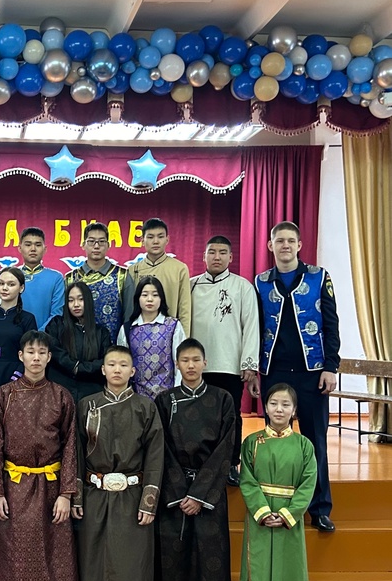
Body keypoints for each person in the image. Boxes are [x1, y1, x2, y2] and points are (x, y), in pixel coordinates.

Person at [0, 330, 79, 581]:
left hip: (51, 486)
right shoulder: (5, 395)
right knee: (14, 554)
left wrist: (67, 493)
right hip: (13, 486)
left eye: (41, 352)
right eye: (30, 352)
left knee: (51, 553)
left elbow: (70, 447)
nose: (36, 358)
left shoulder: (61, 396)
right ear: (21, 356)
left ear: (49, 357)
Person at [72, 346, 165, 581]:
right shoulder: (86, 406)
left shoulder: (145, 407)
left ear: (132, 371)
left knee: (133, 561)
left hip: (132, 494)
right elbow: (75, 454)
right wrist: (76, 495)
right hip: (95, 493)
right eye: (111, 364)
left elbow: (155, 456)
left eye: (123, 365)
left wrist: (148, 501)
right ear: (103, 369)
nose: (117, 369)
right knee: (93, 558)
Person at [250, 221, 340, 533]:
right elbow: (255, 329)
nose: (285, 246)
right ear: (270, 246)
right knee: (275, 441)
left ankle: (319, 509)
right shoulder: (260, 282)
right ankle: (275, 505)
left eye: (291, 240)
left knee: (315, 442)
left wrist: (331, 366)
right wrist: (254, 369)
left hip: (312, 372)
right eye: (280, 241)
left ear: (300, 245)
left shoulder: (319, 277)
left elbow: (331, 324)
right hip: (274, 371)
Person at [154, 338, 235, 581]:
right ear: (177, 364)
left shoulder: (222, 399)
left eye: (195, 359)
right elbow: (160, 448)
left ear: (205, 363)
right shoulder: (165, 400)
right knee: (174, 560)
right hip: (174, 492)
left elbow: (226, 448)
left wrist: (199, 494)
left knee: (209, 563)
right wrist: (180, 493)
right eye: (184, 360)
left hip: (209, 491)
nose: (190, 365)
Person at [237, 383, 317, 581]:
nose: (279, 409)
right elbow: (247, 480)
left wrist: (287, 514)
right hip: (260, 518)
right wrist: (261, 511)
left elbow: (308, 483)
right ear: (266, 407)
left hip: (288, 522)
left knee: (286, 575)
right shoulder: (252, 442)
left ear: (294, 410)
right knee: (261, 574)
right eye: (273, 403)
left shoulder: (304, 445)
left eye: (285, 404)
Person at [190, 235, 260, 486]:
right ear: (204, 256)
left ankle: (230, 463)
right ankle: (199, 465)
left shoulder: (242, 287)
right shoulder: (191, 286)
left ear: (231, 257)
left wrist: (249, 363)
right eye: (212, 252)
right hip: (196, 366)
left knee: (230, 417)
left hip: (230, 364)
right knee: (197, 416)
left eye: (222, 252)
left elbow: (251, 325)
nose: (216, 257)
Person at [118, 276, 185, 402]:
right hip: (136, 397)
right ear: (138, 298)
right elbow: (122, 364)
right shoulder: (128, 329)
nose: (150, 299)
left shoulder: (173, 325)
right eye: (144, 295)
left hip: (167, 396)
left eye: (155, 295)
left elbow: (180, 361)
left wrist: (177, 393)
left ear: (161, 298)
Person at [45, 282, 112, 403]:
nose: (76, 304)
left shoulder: (101, 332)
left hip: (91, 393)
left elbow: (106, 360)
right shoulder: (57, 325)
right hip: (59, 391)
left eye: (81, 299)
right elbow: (53, 350)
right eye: (71, 300)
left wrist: (81, 368)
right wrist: (73, 366)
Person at [124, 217, 191, 335]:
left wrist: (183, 339)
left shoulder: (179, 269)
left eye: (160, 237)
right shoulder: (132, 270)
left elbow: (184, 309)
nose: (156, 241)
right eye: (150, 237)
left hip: (170, 333)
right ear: (142, 240)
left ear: (167, 239)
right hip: (139, 333)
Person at [64, 222, 127, 342]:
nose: (96, 246)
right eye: (91, 241)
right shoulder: (70, 278)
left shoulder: (122, 276)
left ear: (108, 245)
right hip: (79, 346)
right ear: (83, 245)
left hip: (113, 347)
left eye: (101, 241)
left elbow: (129, 316)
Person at [18, 227, 65, 330]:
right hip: (15, 336)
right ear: (20, 248)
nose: (33, 249)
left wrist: (38, 335)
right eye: (28, 245)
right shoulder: (11, 276)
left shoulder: (56, 278)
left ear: (45, 249)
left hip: (46, 337)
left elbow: (57, 314)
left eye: (38, 245)